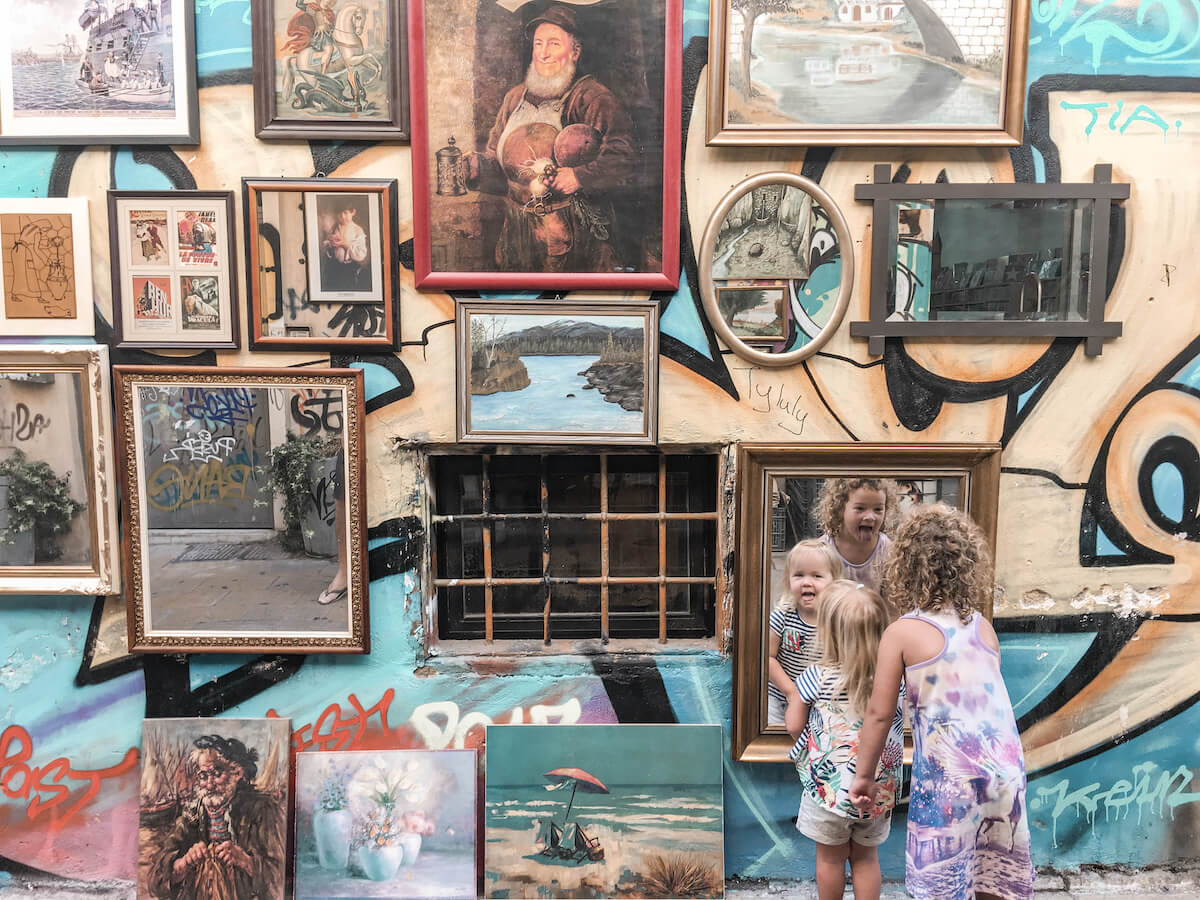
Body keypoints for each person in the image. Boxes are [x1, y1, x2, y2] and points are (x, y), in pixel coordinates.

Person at [849, 505, 1035, 900]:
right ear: (968, 565)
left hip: (950, 780)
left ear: (905, 567)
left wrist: (863, 776)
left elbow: (880, 714)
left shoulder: (903, 632)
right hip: (1006, 772)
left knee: (942, 883)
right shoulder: (982, 627)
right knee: (992, 874)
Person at [464, 4, 636, 273]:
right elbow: (498, 163)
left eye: (554, 44)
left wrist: (580, 176)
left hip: (573, 231)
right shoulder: (514, 99)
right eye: (538, 44)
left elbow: (624, 156)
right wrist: (476, 167)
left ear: (575, 51)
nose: (543, 54)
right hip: (517, 231)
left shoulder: (592, 97)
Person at [785, 580, 904, 900]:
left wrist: (814, 744)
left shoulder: (815, 676)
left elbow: (794, 723)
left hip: (828, 789)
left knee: (830, 858)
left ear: (828, 633)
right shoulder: (894, 679)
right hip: (878, 789)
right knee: (866, 858)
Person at [146, 734, 286, 900]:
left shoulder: (262, 810)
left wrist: (246, 861)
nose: (209, 785)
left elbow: (281, 880)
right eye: (204, 776)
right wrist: (183, 864)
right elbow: (155, 881)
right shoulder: (193, 814)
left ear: (237, 773)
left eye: (217, 774)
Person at [767, 538, 842, 726]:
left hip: (819, 698)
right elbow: (768, 658)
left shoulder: (837, 619)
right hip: (780, 695)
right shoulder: (784, 615)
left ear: (834, 582)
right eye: (799, 575)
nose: (807, 582)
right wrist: (792, 692)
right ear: (788, 579)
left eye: (817, 576)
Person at [814, 477, 894, 595]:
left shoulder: (887, 551)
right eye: (860, 508)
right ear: (840, 508)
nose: (870, 516)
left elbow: (891, 604)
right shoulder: (823, 550)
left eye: (878, 509)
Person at [321, 203, 368, 291]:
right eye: (339, 213)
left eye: (345, 213)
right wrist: (331, 244)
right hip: (334, 267)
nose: (342, 216)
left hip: (349, 269)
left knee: (347, 289)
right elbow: (326, 244)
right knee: (332, 288)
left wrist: (345, 245)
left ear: (353, 212)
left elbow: (361, 254)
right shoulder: (335, 227)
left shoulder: (357, 230)